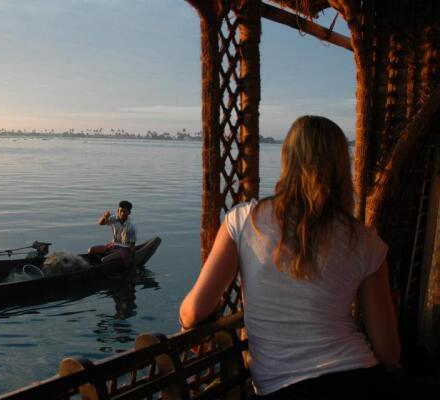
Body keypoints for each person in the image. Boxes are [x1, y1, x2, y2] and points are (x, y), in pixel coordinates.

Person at [179, 116, 401, 398]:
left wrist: (185, 322)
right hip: (361, 380)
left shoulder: (245, 221)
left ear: (287, 159)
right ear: (342, 167)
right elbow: (388, 351)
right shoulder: (365, 240)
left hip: (283, 387)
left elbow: (194, 310)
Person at [89, 200, 137, 267]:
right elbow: (100, 223)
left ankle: (106, 262)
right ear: (118, 211)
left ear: (129, 213)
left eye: (125, 212)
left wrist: (133, 264)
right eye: (121, 211)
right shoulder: (114, 218)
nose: (122, 213)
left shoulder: (131, 227)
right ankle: (101, 262)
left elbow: (132, 246)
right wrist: (104, 217)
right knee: (91, 250)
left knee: (104, 260)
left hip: (124, 250)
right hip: (113, 246)